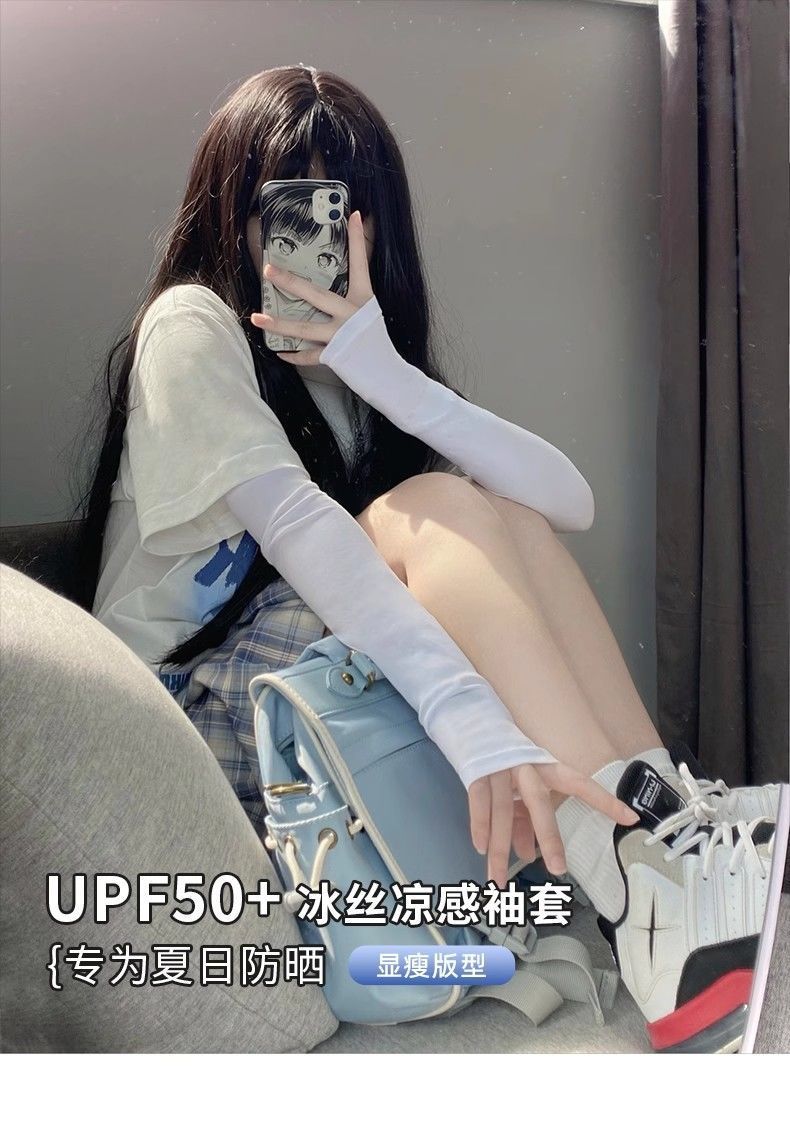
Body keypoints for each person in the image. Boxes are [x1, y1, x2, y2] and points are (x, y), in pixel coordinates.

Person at [72, 65, 779, 1052]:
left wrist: (383, 372)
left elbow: (565, 502)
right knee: (434, 503)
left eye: (345, 208)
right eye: (287, 203)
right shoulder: (191, 326)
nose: (318, 235)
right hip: (199, 716)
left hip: (312, 682)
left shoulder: (353, 368)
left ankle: (656, 835)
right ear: (232, 207)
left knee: (505, 517)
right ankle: (630, 865)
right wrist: (467, 714)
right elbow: (298, 525)